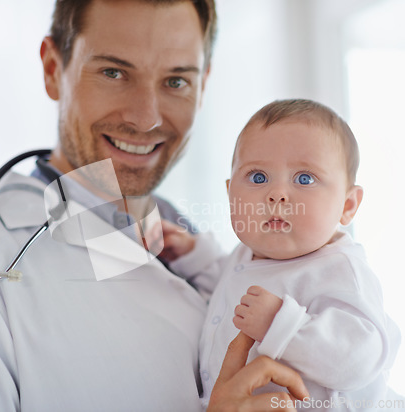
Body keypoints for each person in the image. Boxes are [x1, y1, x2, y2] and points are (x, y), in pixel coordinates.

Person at [0, 1, 310, 411]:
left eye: (175, 81)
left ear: (203, 85)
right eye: (113, 72)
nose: (145, 118)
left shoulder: (215, 258)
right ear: (52, 69)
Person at [161, 99, 403, 410]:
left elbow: (358, 357)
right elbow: (228, 286)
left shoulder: (340, 269)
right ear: (230, 193)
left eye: (305, 178)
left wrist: (281, 324)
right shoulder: (246, 254)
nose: (276, 194)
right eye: (258, 177)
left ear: (347, 206)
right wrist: (195, 254)